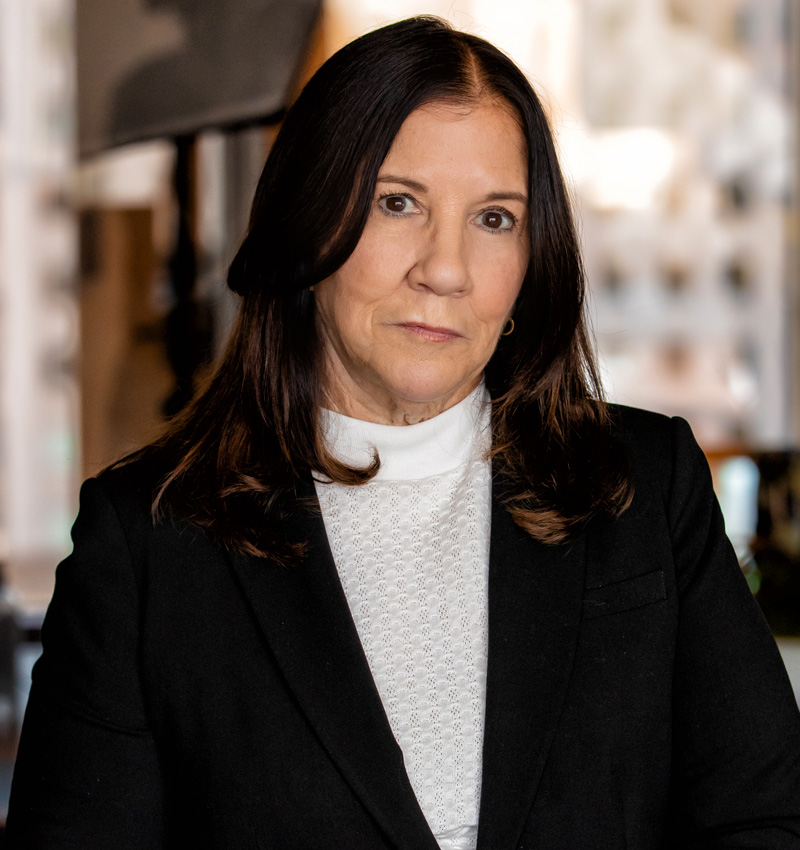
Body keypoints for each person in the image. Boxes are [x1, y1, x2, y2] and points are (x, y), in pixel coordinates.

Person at [6, 15, 800, 850]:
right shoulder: (147, 543)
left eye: (494, 219)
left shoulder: (646, 483)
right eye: (398, 204)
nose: (446, 269)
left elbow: (767, 818)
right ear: (311, 223)